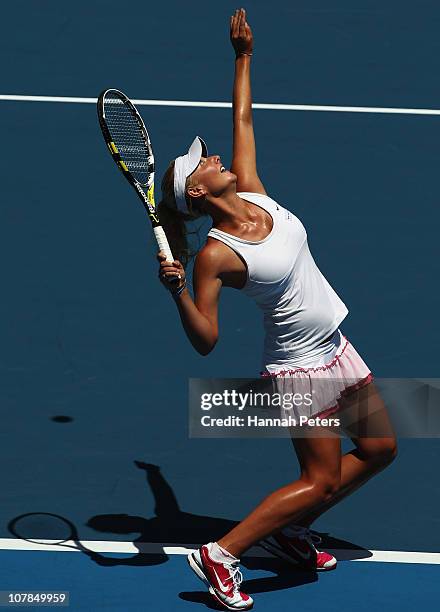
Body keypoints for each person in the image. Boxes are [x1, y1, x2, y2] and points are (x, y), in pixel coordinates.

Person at [157, 9, 397, 611]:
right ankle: (223, 553)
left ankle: (289, 531)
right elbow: (206, 340)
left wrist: (242, 56)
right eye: (205, 161)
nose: (214, 157)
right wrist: (179, 292)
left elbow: (242, 117)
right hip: (299, 371)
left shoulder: (254, 190)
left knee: (380, 450)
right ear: (197, 192)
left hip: (337, 346)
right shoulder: (216, 254)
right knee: (317, 479)